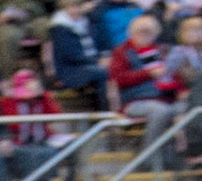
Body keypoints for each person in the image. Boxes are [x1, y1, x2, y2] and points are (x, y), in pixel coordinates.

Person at [109, 16, 180, 150]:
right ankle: (149, 154)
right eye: (140, 32)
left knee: (189, 108)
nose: (144, 35)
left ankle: (183, 154)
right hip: (135, 101)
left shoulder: (161, 50)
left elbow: (173, 75)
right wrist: (148, 74)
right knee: (161, 111)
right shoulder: (122, 51)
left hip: (166, 97)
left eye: (148, 32)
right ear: (131, 33)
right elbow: (119, 79)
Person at [0, 67, 64, 181]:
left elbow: (55, 115)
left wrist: (42, 96)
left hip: (41, 141)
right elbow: (13, 125)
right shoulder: (7, 101)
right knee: (35, 156)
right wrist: (14, 99)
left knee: (45, 153)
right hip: (17, 143)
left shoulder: (42, 98)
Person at [49, 0, 109, 104]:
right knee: (102, 73)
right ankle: (104, 111)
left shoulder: (89, 21)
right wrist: (97, 62)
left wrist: (106, 56)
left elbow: (101, 43)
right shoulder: (60, 28)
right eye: (70, 8)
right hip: (72, 69)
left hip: (93, 62)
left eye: (77, 7)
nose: (74, 11)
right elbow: (72, 55)